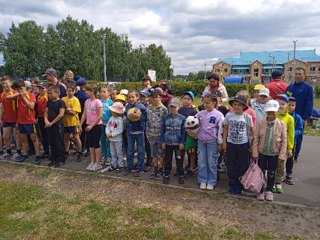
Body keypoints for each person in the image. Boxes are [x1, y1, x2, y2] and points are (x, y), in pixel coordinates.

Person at [252, 100, 287, 201]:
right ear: (266, 112)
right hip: (262, 152)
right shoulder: (261, 122)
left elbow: (284, 141)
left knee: (272, 172)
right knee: (261, 172)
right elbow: (256, 138)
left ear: (277, 112)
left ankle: (269, 190)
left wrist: (282, 155)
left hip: (274, 153)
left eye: (273, 112)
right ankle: (260, 190)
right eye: (269, 112)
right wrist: (255, 152)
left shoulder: (281, 124)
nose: (271, 114)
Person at [189, 93, 224, 190]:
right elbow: (192, 122)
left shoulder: (219, 115)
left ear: (214, 103)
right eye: (204, 103)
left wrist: (220, 143)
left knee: (212, 162)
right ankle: (202, 180)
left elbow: (221, 130)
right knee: (201, 161)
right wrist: (192, 132)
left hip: (212, 142)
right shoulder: (200, 114)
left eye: (208, 103)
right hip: (201, 141)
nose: (206, 105)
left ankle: (212, 181)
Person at [222, 95, 254, 195]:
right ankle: (232, 184)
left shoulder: (247, 117)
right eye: (234, 104)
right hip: (231, 143)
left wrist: (252, 145)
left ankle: (240, 185)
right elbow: (225, 129)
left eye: (239, 105)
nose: (236, 107)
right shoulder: (228, 116)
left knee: (243, 165)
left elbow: (251, 132)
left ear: (243, 106)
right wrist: (224, 142)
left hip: (243, 144)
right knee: (231, 164)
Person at [8, 80, 41, 164]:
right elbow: (7, 97)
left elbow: (31, 106)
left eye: (18, 89)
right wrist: (20, 94)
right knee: (23, 139)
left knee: (34, 139)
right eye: (16, 89)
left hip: (30, 121)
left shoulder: (31, 95)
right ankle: (25, 155)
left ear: (22, 87)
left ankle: (37, 155)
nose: (17, 91)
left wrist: (24, 96)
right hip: (21, 121)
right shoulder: (18, 95)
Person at [161, 98, 186, 185]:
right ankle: (167, 174)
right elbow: (162, 130)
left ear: (178, 107)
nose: (173, 109)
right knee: (167, 160)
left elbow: (184, 131)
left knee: (179, 159)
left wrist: (182, 142)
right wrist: (163, 141)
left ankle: (181, 174)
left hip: (178, 143)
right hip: (168, 143)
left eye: (174, 107)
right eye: (171, 107)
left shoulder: (182, 118)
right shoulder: (165, 117)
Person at [123, 90, 147, 177]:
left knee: (141, 150)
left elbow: (144, 119)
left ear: (137, 97)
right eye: (129, 97)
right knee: (130, 150)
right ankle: (129, 167)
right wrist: (125, 118)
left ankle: (140, 169)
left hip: (139, 131)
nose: (131, 99)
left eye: (133, 97)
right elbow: (125, 115)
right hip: (130, 131)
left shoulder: (142, 107)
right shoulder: (127, 106)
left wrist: (138, 117)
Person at [274, 94, 294, 194]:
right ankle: (271, 181)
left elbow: (291, 135)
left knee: (281, 164)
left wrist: (290, 148)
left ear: (287, 105)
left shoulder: (289, 118)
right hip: (272, 146)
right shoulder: (272, 115)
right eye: (278, 103)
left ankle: (278, 181)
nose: (280, 106)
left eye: (283, 104)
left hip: (283, 146)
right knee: (272, 163)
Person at [80, 84, 103, 171]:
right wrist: (80, 124)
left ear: (93, 92)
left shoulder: (97, 102)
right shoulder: (87, 101)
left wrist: (91, 125)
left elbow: (100, 115)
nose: (86, 92)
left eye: (87, 90)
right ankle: (92, 161)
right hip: (88, 125)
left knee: (96, 144)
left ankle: (97, 163)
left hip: (96, 126)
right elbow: (84, 114)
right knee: (90, 144)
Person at [146, 89, 168, 180]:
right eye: (153, 97)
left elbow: (165, 124)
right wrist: (147, 133)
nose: (154, 99)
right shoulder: (148, 108)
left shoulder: (164, 109)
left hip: (160, 135)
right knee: (153, 153)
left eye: (157, 97)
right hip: (151, 134)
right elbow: (147, 121)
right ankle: (155, 168)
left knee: (161, 154)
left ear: (160, 98)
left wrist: (164, 136)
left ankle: (160, 169)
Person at [0, 76, 21, 160]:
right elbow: (2, 107)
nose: (5, 85)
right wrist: (1, 118)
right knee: (5, 136)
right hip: (6, 119)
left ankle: (18, 152)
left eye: (6, 83)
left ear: (11, 83)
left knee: (17, 136)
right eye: (3, 84)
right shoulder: (2, 94)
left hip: (15, 119)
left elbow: (19, 107)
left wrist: (18, 119)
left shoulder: (15, 93)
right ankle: (8, 152)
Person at [44, 86, 66, 168]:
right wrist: (46, 120)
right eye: (48, 93)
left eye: (51, 93)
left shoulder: (61, 102)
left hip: (58, 124)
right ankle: (54, 158)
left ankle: (61, 159)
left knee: (59, 142)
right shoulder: (49, 102)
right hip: (49, 125)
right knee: (52, 142)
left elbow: (61, 114)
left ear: (57, 93)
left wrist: (52, 123)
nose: (49, 95)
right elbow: (46, 112)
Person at [178, 91, 198, 178]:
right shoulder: (180, 110)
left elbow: (196, 124)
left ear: (192, 101)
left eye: (188, 99)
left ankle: (191, 168)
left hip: (190, 135)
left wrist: (192, 133)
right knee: (181, 151)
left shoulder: (194, 111)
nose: (186, 100)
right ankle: (180, 168)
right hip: (180, 134)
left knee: (191, 152)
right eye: (184, 98)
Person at [62, 83, 82, 162]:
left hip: (73, 122)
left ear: (74, 92)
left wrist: (66, 110)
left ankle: (79, 151)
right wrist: (68, 109)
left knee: (76, 137)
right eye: (68, 91)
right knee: (66, 137)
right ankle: (66, 151)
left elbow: (74, 112)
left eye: (70, 91)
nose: (69, 92)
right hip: (65, 122)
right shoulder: (63, 99)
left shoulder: (75, 100)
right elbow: (61, 110)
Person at [285, 96, 303, 184]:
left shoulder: (297, 117)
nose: (291, 107)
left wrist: (293, 133)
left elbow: (300, 129)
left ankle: (288, 174)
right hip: (280, 142)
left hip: (291, 143)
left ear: (295, 106)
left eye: (293, 105)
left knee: (289, 159)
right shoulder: (282, 116)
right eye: (289, 105)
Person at [105, 102, 125, 172]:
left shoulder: (119, 120)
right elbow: (107, 126)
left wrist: (112, 134)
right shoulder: (111, 118)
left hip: (117, 139)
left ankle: (120, 165)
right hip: (111, 139)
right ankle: (114, 164)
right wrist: (107, 133)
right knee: (112, 152)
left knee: (119, 152)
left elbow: (120, 130)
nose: (112, 112)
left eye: (114, 111)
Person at [36, 82, 49, 159]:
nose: (40, 89)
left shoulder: (48, 97)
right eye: (39, 88)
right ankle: (46, 151)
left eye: (42, 88)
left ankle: (52, 151)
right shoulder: (37, 97)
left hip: (47, 117)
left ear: (46, 89)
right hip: (40, 117)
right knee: (43, 135)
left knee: (49, 135)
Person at [100, 86, 113, 165]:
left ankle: (109, 156)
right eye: (101, 92)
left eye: (104, 92)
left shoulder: (111, 102)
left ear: (109, 93)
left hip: (108, 125)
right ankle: (103, 155)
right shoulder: (99, 102)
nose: (102, 93)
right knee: (102, 141)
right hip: (101, 124)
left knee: (109, 141)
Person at [140, 89, 152, 171]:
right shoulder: (138, 104)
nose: (141, 97)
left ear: (148, 97)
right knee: (141, 146)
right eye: (140, 96)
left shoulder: (149, 106)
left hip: (147, 129)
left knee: (148, 146)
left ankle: (149, 162)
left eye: (143, 96)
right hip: (140, 128)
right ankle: (140, 162)